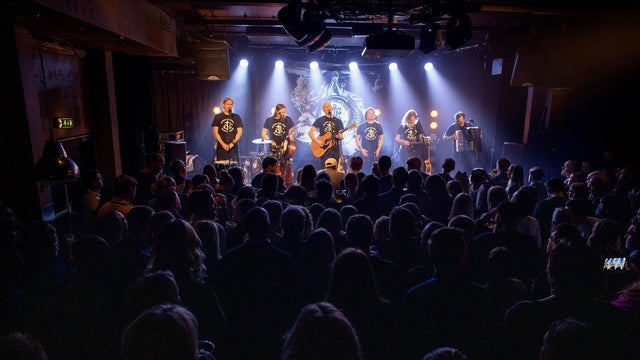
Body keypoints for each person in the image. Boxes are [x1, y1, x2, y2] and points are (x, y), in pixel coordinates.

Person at [262, 103, 295, 184]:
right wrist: (270, 141)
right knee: (274, 166)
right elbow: (263, 134)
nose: (283, 114)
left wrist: (290, 135)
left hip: (285, 146)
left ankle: (286, 182)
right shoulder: (269, 120)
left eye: (285, 112)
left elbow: (292, 131)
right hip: (274, 147)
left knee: (286, 165)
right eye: (282, 112)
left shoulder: (287, 119)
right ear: (277, 111)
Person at [309, 101, 345, 170]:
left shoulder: (338, 121)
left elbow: (341, 135)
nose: (328, 108)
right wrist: (317, 142)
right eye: (326, 107)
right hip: (324, 148)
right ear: (323, 110)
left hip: (335, 148)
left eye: (329, 106)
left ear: (332, 108)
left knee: (335, 168)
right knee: (325, 169)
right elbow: (310, 132)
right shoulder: (320, 120)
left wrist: (341, 137)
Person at [212, 97, 243, 165]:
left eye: (231, 104)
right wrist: (223, 144)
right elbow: (215, 132)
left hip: (233, 146)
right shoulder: (218, 117)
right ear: (223, 105)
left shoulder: (236, 117)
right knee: (221, 166)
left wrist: (232, 143)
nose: (229, 106)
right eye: (227, 104)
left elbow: (239, 132)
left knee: (234, 166)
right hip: (221, 147)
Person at [355, 107, 384, 172]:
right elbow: (357, 139)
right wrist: (362, 150)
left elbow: (381, 138)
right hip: (365, 152)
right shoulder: (361, 126)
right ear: (366, 115)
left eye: (373, 113)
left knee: (376, 171)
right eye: (369, 113)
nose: (371, 114)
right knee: (365, 171)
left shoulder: (378, 125)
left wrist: (378, 149)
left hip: (375, 152)